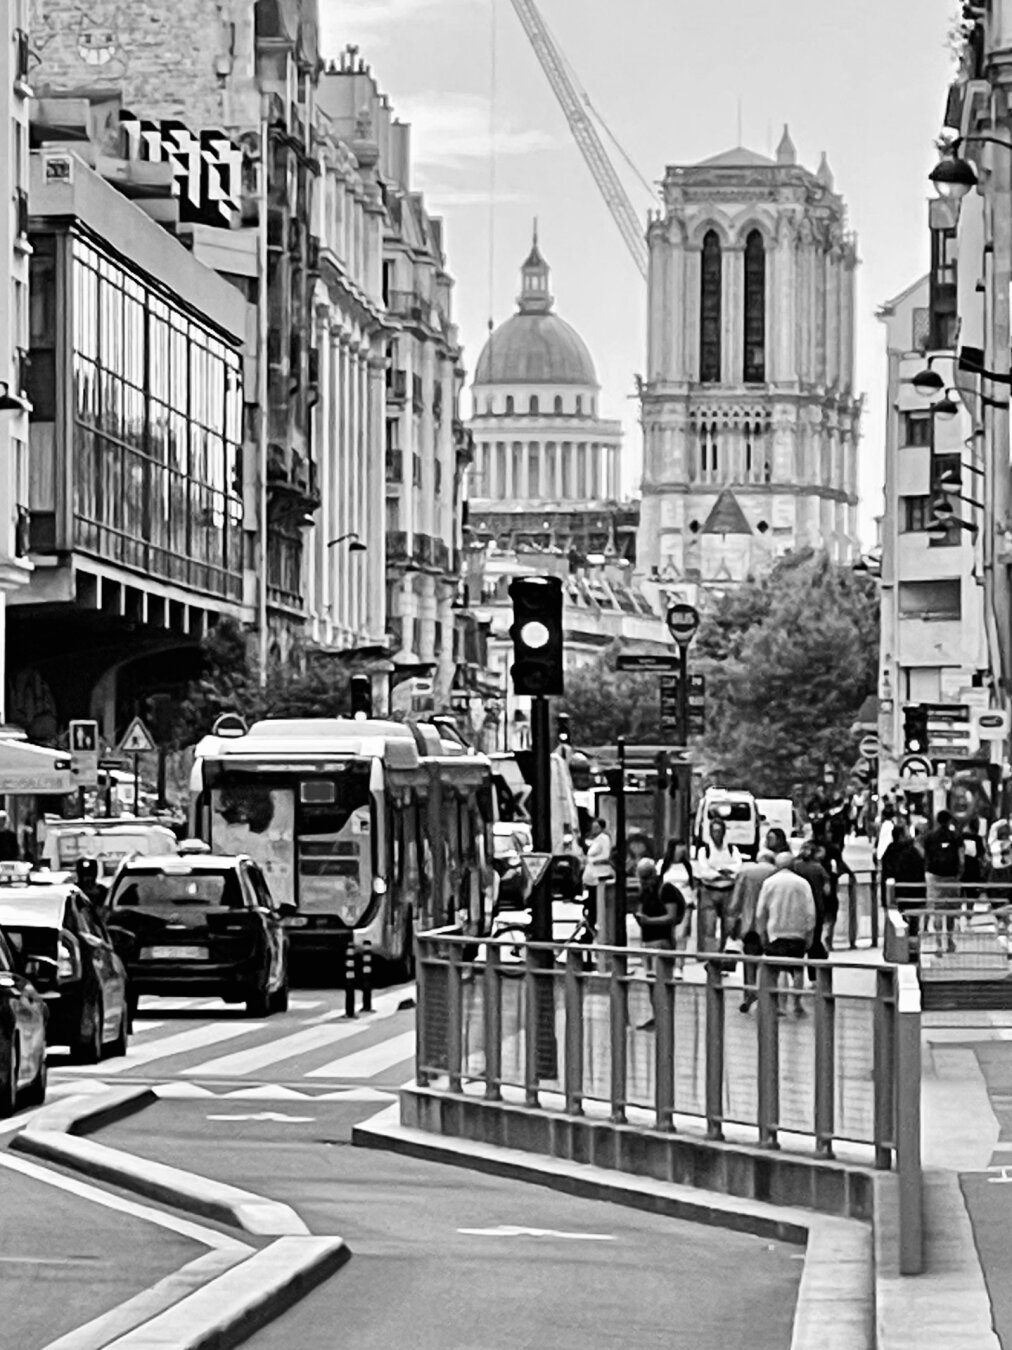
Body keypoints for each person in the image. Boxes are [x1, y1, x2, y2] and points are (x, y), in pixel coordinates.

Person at [756, 851, 817, 1017]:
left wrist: (762, 931)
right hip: (797, 932)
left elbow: (761, 911)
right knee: (797, 969)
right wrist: (809, 933)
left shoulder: (769, 883)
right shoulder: (803, 883)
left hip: (775, 931)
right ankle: (796, 1003)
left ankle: (780, 1005)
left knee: (779, 969)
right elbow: (811, 912)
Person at [634, 858, 684, 1029]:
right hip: (647, 942)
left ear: (654, 874)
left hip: (662, 941)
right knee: (651, 982)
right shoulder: (644, 891)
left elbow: (671, 916)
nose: (644, 881)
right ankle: (657, 1017)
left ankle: (664, 1019)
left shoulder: (666, 890)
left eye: (647, 877)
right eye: (641, 877)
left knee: (661, 982)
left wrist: (649, 921)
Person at [730, 847, 777, 1013]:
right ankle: (768, 997)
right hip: (771, 925)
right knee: (771, 963)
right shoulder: (776, 872)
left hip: (749, 924)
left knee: (749, 961)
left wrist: (733, 917)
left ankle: (749, 994)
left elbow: (735, 902)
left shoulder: (746, 872)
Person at [693, 818, 742, 954]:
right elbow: (704, 872)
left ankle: (724, 954)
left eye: (719, 831)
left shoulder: (733, 850)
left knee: (729, 926)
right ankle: (710, 956)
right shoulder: (704, 850)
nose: (717, 834)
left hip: (729, 891)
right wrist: (723, 872)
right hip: (709, 891)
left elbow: (738, 868)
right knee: (709, 927)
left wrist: (718, 870)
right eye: (714, 831)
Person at [922, 809, 964, 954]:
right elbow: (961, 858)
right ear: (949, 820)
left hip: (934, 876)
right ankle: (951, 941)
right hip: (952, 876)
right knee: (951, 910)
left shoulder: (929, 837)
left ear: (937, 820)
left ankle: (939, 943)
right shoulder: (955, 836)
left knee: (938, 909)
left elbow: (924, 855)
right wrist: (959, 873)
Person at [880, 823, 926, 931]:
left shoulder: (888, 852)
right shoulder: (912, 851)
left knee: (897, 924)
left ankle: (900, 944)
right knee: (913, 924)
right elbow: (919, 870)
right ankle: (912, 944)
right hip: (913, 895)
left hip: (894, 895)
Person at [659, 840, 694, 970]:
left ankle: (679, 966)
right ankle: (668, 963)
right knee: (668, 935)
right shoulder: (662, 865)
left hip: (685, 903)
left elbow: (693, 884)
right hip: (667, 904)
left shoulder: (688, 866)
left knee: (681, 935)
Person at [581, 818, 615, 934]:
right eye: (593, 827)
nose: (593, 830)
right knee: (592, 901)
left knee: (595, 902)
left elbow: (601, 854)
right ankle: (591, 922)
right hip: (593, 876)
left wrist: (592, 860)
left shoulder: (603, 839)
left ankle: (594, 923)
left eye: (596, 827)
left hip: (599, 875)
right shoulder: (596, 840)